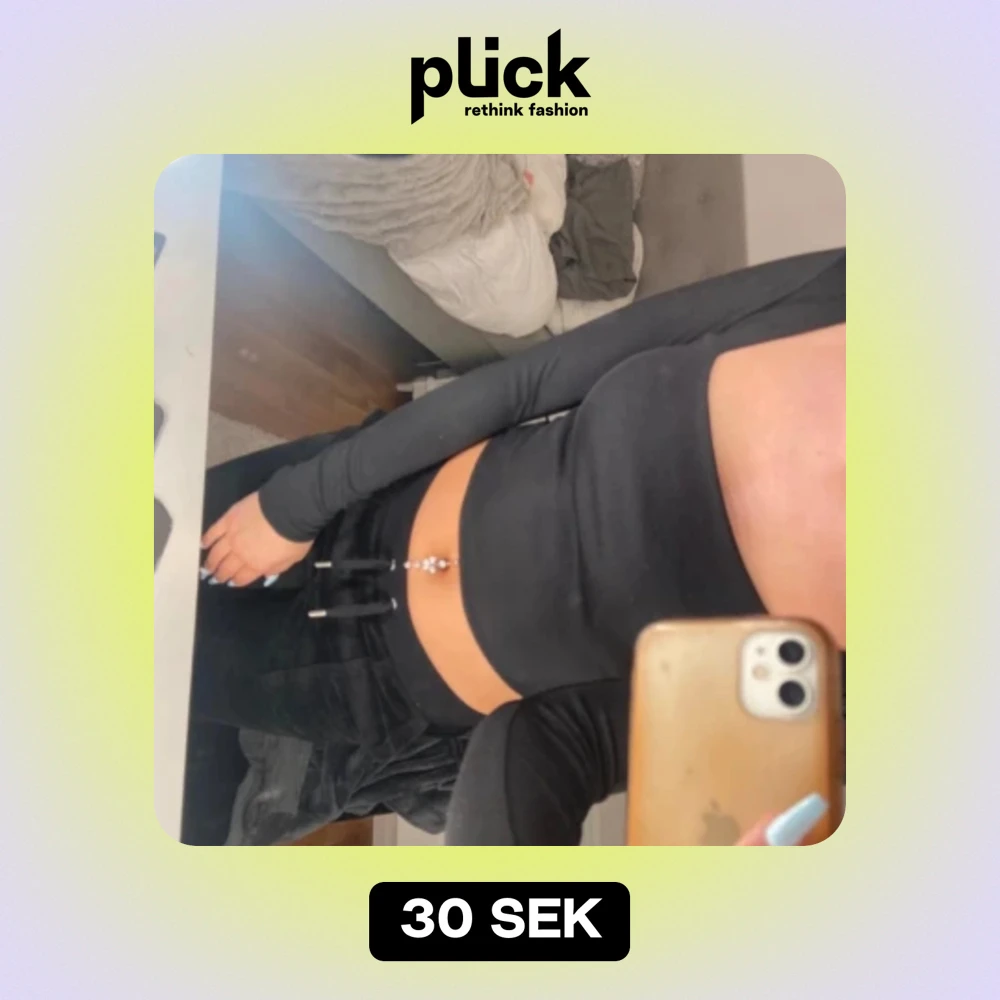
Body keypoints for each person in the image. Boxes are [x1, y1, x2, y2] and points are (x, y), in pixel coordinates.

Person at [193, 249, 846, 845]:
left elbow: (565, 742)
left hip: (362, 678)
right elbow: (532, 381)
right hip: (362, 489)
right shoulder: (843, 295)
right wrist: (298, 501)